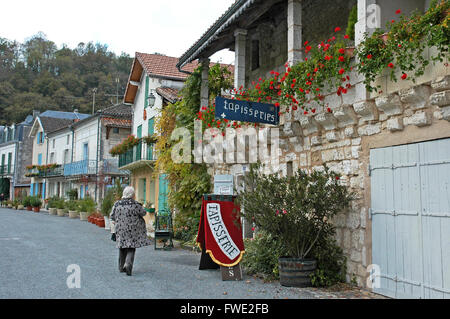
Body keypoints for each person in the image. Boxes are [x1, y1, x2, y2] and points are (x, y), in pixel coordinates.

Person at [110, 186, 151, 276]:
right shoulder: (135, 204)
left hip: (120, 229)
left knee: (122, 247)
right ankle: (128, 264)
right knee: (131, 247)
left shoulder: (117, 204)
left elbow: (112, 216)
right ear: (132, 195)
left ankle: (121, 267)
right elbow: (143, 213)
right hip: (133, 229)